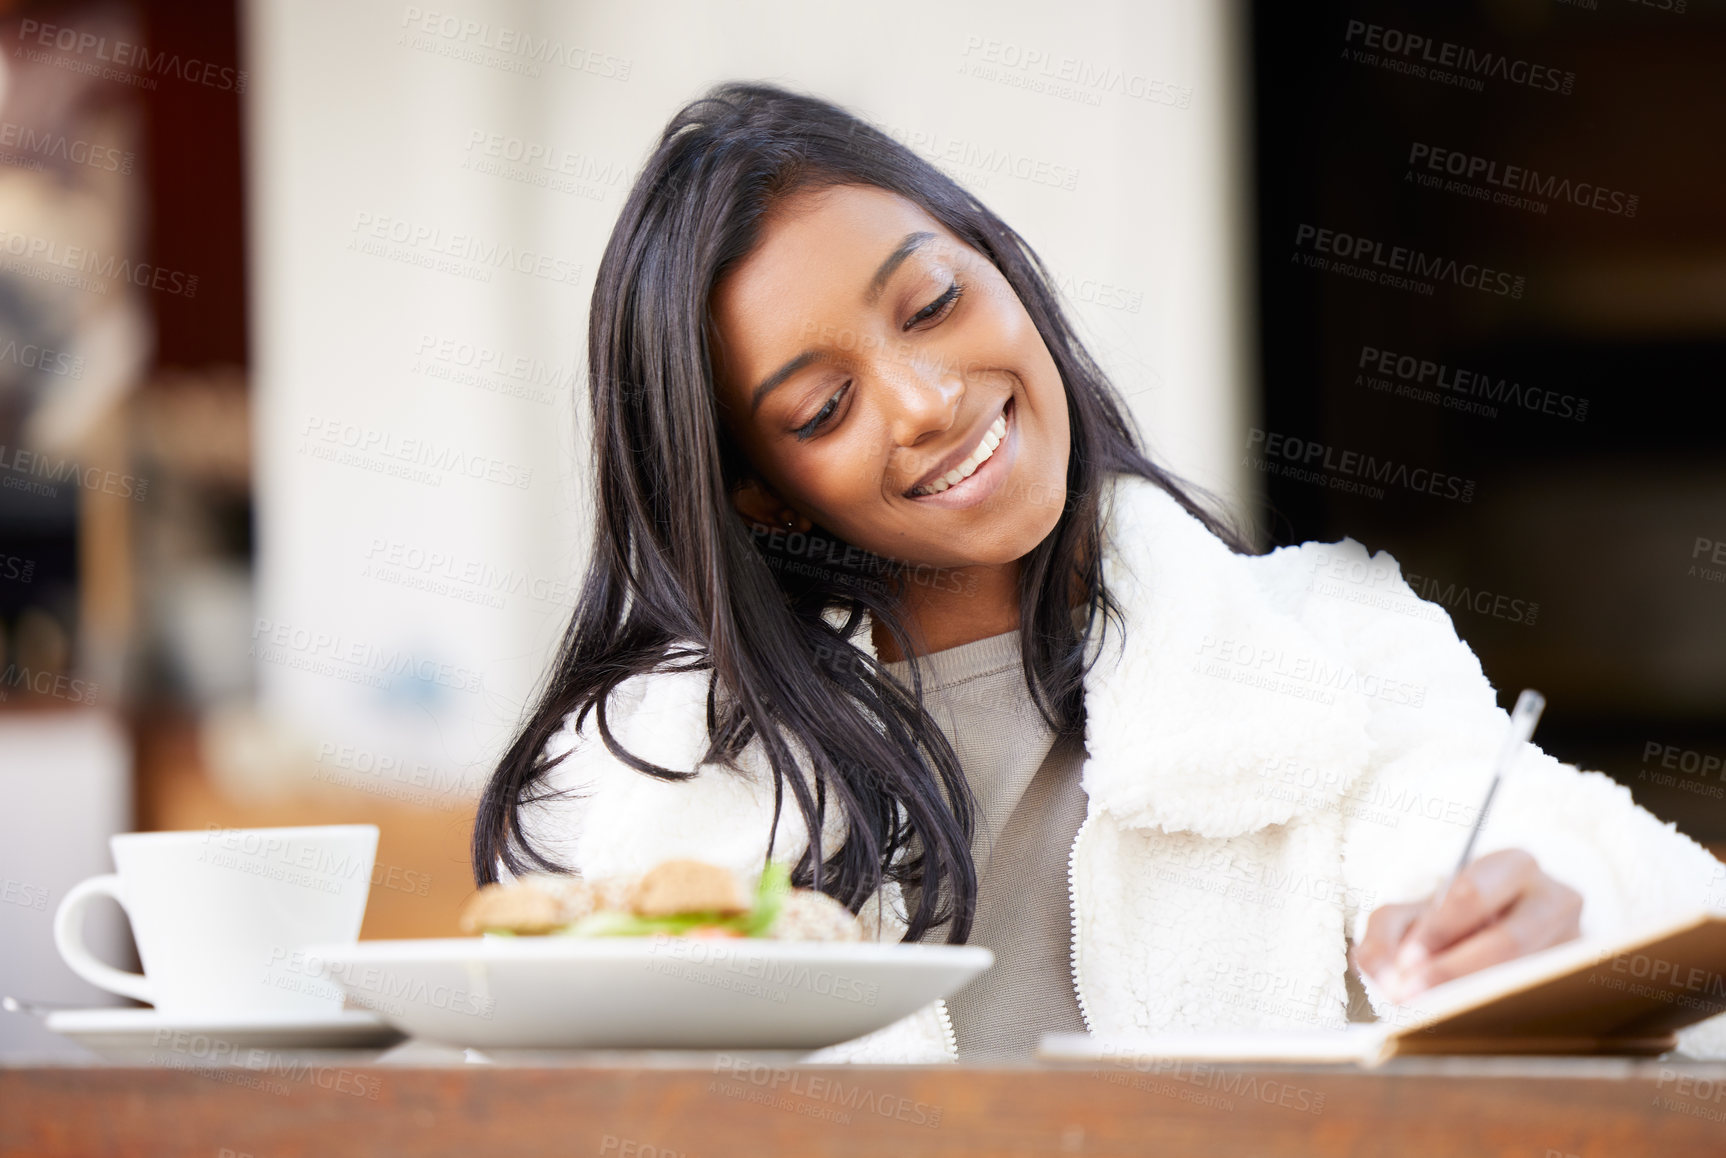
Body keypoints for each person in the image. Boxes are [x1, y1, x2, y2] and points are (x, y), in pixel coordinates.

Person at [472, 81, 1725, 1061]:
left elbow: (1632, 888)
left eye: (931, 303)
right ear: (754, 486)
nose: (926, 398)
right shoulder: (647, 767)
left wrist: (1553, 917)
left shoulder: (1321, 645)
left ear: (998, 264)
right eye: (822, 407)